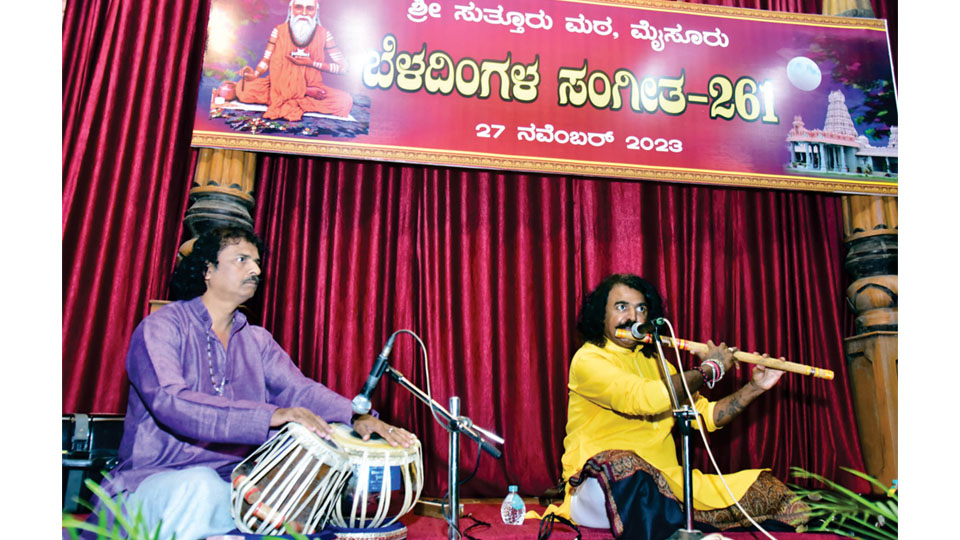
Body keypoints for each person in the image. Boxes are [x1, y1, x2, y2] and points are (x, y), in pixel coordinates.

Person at [98, 227, 416, 540]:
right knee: (200, 489)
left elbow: (299, 389)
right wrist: (269, 415)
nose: (256, 269)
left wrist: (356, 417)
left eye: (257, 262)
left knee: (307, 498)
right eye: (241, 259)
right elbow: (171, 402)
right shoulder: (161, 328)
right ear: (208, 269)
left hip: (236, 483)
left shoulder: (256, 340)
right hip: (155, 480)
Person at [536, 274, 807, 537]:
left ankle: (675, 522)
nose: (633, 317)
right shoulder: (588, 360)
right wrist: (710, 369)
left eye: (641, 308)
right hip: (602, 486)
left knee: (768, 489)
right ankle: (677, 526)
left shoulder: (661, 365)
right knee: (625, 465)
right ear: (601, 316)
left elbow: (705, 417)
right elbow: (644, 400)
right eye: (621, 307)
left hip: (666, 485)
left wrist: (755, 387)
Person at [234, 0, 354, 121]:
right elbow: (266, 61)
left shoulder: (324, 34)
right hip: (279, 86)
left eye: (309, 9)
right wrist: (254, 74)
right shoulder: (278, 31)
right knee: (243, 89)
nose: (304, 13)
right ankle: (299, 99)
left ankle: (294, 103)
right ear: (291, 10)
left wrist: (311, 63)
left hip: (313, 87)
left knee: (345, 101)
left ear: (316, 12)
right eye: (299, 7)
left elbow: (343, 68)